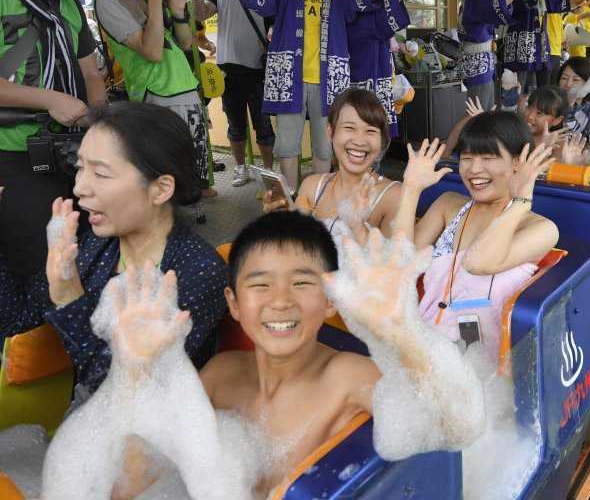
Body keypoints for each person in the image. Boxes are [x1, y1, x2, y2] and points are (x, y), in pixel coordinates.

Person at [48, 212, 485, 498]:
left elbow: (458, 427)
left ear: (332, 299)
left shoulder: (346, 376)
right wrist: (135, 373)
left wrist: (402, 332)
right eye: (259, 285)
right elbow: (134, 483)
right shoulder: (220, 374)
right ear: (234, 304)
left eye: (301, 283)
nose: (280, 301)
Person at [0, 102, 226, 400]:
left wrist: (69, 299)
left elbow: (121, 392)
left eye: (101, 174)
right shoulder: (97, 244)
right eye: (79, 167)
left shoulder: (198, 272)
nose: (80, 187)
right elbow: (14, 318)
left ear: (160, 189)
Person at [240, 0, 410, 191]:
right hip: (289, 77)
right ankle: (290, 198)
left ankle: (315, 198)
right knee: (287, 146)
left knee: (324, 145)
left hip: (330, 81)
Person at [393, 115, 559, 360]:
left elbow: (479, 263)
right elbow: (400, 262)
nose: (473, 169)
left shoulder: (541, 228)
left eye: (488, 158)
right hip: (421, 344)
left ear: (518, 162)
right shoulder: (448, 204)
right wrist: (410, 188)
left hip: (481, 366)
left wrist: (521, 201)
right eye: (467, 157)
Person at [0, 0, 105, 282]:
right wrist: (50, 99)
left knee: (85, 256)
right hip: (12, 160)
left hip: (71, 154)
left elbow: (90, 73)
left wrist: (101, 123)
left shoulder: (68, 3)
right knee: (37, 268)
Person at [93, 0, 214, 197]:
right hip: (157, 96)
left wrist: (178, 9)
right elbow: (152, 51)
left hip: (186, 89)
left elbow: (183, 42)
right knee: (167, 182)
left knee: (191, 182)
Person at [264, 88, 401, 253]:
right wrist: (276, 221)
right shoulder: (313, 186)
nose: (359, 140)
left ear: (382, 140)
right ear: (330, 132)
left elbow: (392, 269)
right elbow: (290, 248)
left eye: (370, 131)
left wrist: (358, 226)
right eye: (349, 128)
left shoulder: (391, 195)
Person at [191, 0, 276, 187]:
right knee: (235, 126)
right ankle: (240, 168)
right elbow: (199, 13)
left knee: (264, 127)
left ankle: (269, 172)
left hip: (259, 71)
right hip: (228, 71)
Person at [347, 0, 419, 139]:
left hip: (363, 90)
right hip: (370, 93)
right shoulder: (367, 19)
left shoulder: (357, 14)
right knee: (371, 143)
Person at [457, 0, 531, 111]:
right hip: (477, 63)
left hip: (481, 61)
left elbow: (498, 8)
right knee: (480, 116)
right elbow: (499, 5)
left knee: (487, 113)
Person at [556, 56, 590, 138]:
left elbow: (570, 137)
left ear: (588, 83)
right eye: (564, 78)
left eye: (576, 80)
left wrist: (570, 106)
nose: (568, 84)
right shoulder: (549, 103)